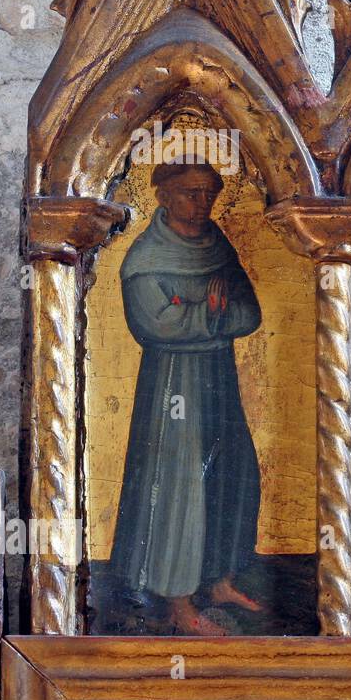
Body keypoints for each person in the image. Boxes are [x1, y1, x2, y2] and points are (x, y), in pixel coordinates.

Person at [112, 157, 264, 635]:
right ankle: (178, 602)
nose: (201, 204)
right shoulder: (145, 259)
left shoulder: (217, 246)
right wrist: (210, 316)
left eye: (207, 194)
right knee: (180, 485)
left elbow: (250, 314)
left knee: (230, 470)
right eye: (189, 194)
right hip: (173, 385)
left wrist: (197, 316)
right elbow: (156, 326)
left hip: (218, 378)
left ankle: (217, 579)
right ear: (162, 196)